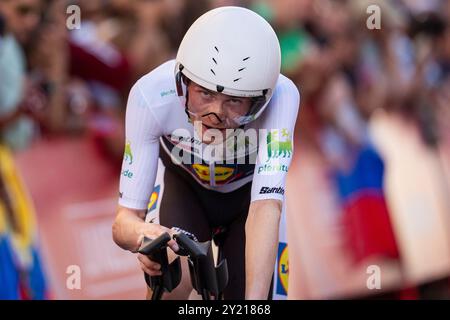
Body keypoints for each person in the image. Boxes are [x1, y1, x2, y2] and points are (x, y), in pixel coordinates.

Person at [112, 6, 300, 300]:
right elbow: (124, 221)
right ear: (182, 82)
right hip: (184, 191)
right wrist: (143, 235)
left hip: (247, 202)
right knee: (174, 283)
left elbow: (266, 207)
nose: (215, 114)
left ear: (261, 100)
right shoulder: (150, 94)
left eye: (235, 102)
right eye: (205, 95)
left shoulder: (283, 97)